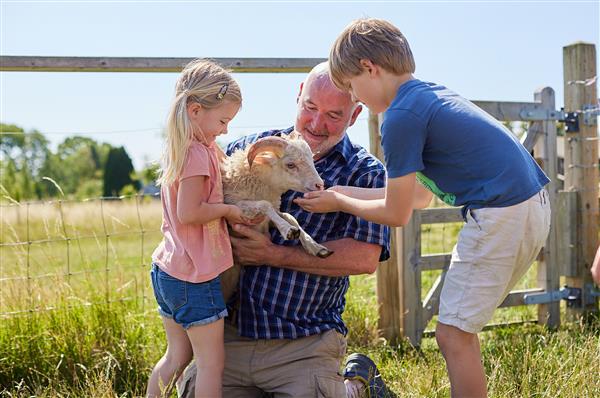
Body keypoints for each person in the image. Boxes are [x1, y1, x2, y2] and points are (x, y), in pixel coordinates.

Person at [295, 19, 552, 398]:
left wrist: (338, 201)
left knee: (452, 335)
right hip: (529, 203)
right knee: (458, 333)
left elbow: (396, 215)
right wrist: (338, 191)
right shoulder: (425, 95)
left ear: (369, 68)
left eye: (352, 86)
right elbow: (417, 197)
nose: (356, 97)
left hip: (502, 211)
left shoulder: (399, 117)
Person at [178, 62, 393, 398]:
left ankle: (357, 387)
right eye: (310, 107)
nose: (317, 124)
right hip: (229, 336)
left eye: (334, 115)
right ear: (298, 97)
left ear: (354, 116)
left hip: (303, 341)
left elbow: (365, 258)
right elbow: (190, 207)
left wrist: (274, 254)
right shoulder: (248, 150)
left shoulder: (365, 173)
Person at [147, 59, 254, 397]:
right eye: (223, 120)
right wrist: (229, 210)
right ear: (195, 110)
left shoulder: (191, 147)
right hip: (194, 276)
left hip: (169, 269)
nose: (225, 130)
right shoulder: (195, 154)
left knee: (176, 355)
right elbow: (189, 212)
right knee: (211, 364)